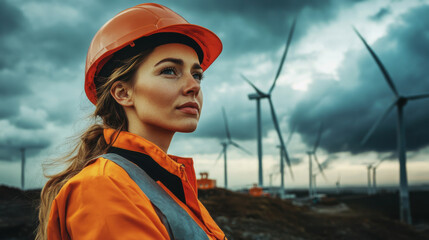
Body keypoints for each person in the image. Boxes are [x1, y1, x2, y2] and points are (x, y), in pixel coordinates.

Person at [36, 3, 226, 240]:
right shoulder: (102, 188)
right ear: (123, 93)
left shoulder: (167, 184)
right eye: (170, 71)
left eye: (196, 74)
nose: (194, 86)